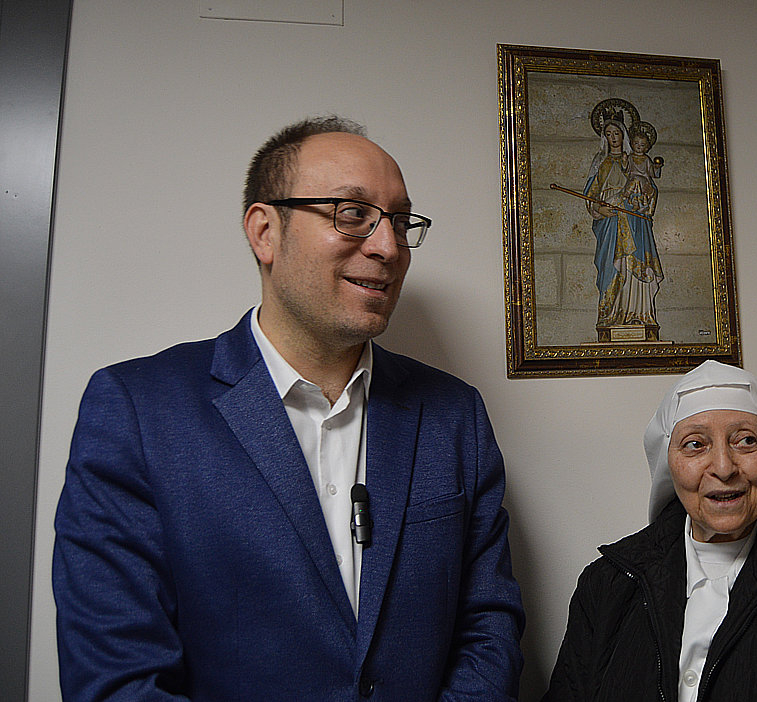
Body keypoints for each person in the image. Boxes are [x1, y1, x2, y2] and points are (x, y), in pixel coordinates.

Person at [53, 116, 524, 701]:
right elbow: (117, 676)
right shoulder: (138, 411)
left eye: (400, 222)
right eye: (352, 214)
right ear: (265, 232)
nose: (388, 247)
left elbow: (488, 626)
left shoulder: (454, 414)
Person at [543, 360, 757, 702]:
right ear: (669, 462)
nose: (724, 468)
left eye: (746, 441)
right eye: (696, 444)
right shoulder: (606, 584)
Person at [583, 111, 664, 337]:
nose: (613, 138)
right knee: (611, 265)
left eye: (616, 133)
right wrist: (599, 209)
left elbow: (649, 186)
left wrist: (642, 194)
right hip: (610, 222)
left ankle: (638, 313)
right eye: (608, 134)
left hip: (634, 219)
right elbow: (591, 194)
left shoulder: (634, 160)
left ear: (624, 135)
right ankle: (611, 315)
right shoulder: (600, 162)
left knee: (634, 263)